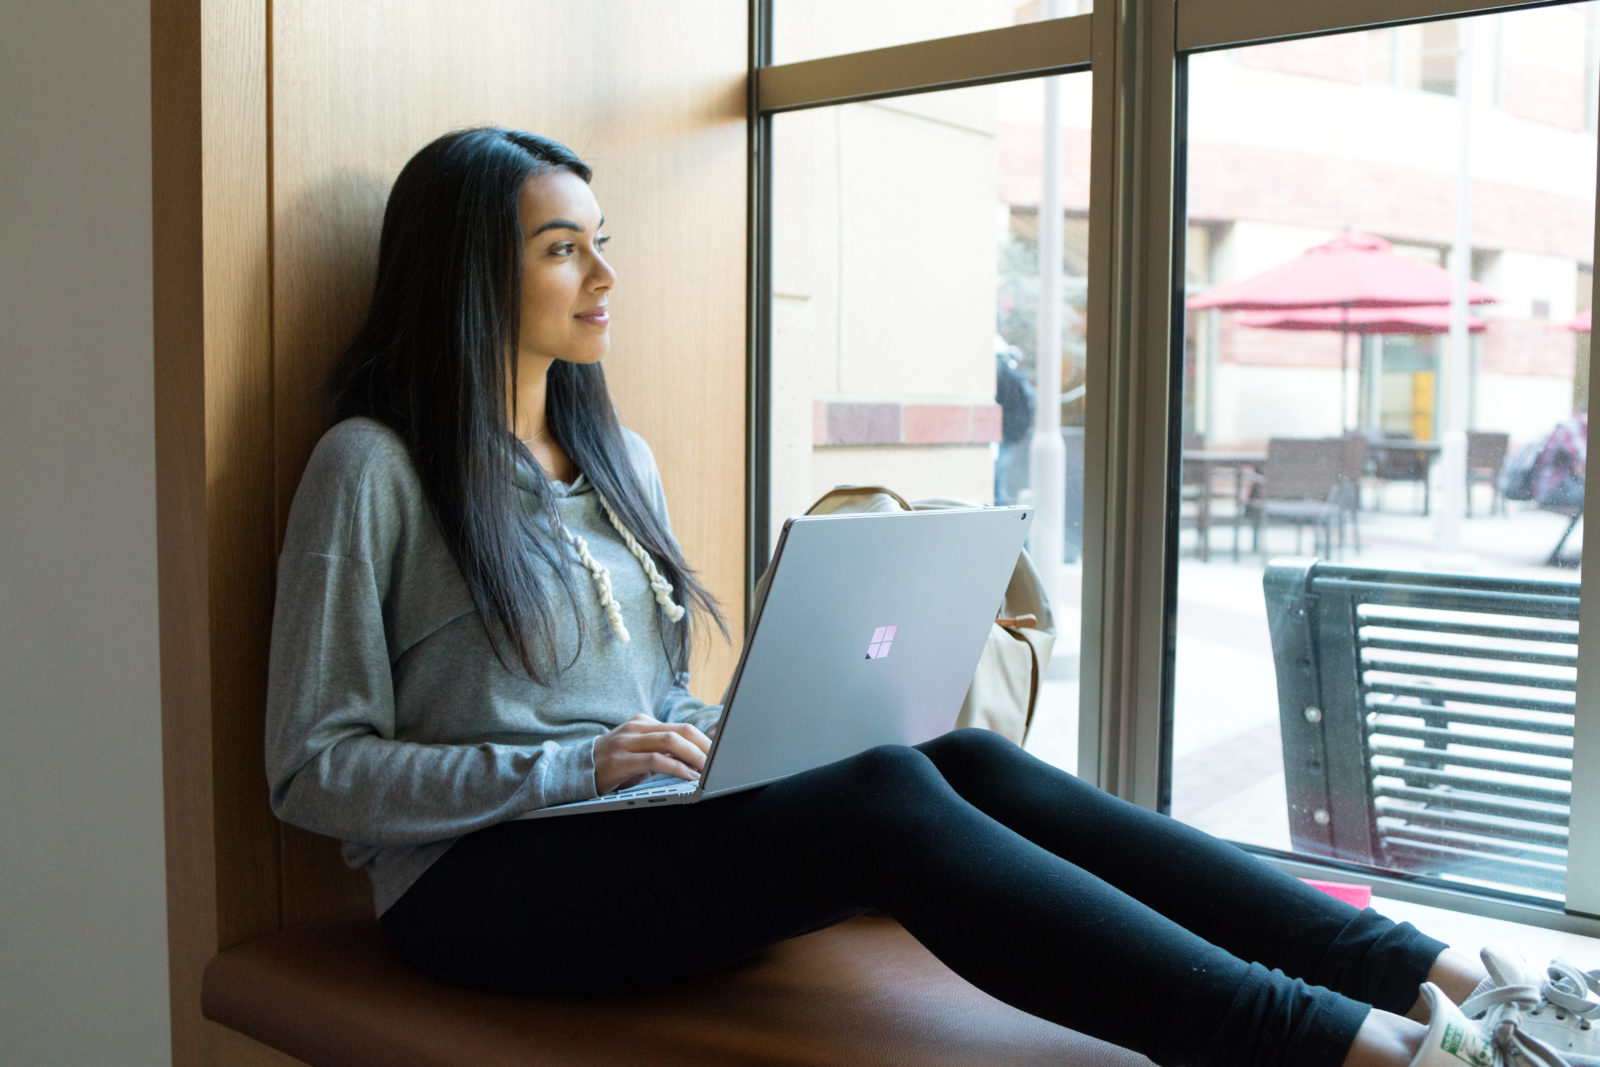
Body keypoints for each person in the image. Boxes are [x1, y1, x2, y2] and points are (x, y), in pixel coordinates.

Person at [264, 127, 1598, 1067]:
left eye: (601, 244)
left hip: (633, 836)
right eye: (566, 251)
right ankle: (1340, 1053)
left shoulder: (620, 463)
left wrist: (726, 734)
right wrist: (580, 762)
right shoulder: (372, 467)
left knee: (951, 753)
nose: (606, 279)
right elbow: (314, 770)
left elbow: (647, 694)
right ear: (463, 273)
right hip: (471, 895)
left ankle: (1445, 976)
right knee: (888, 797)